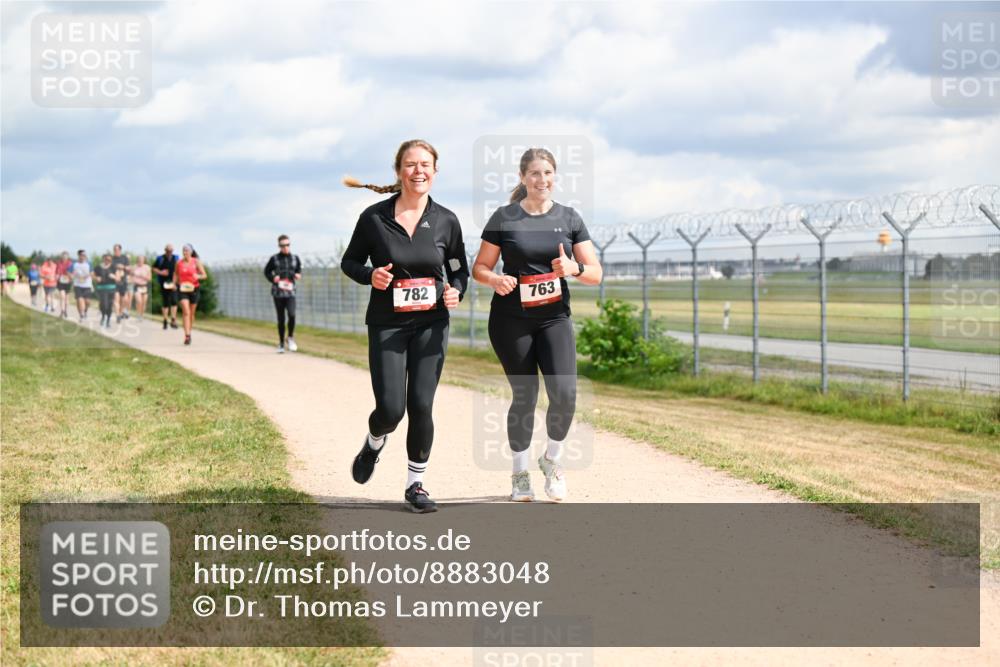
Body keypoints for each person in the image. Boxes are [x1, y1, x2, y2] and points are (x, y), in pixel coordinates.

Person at [341, 139, 468, 513]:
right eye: (411, 165)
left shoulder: (446, 220)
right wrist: (371, 276)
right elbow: (350, 262)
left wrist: (456, 292)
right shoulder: (374, 218)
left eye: (425, 164)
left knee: (421, 405)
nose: (419, 171)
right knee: (392, 409)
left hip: (432, 324)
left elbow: (459, 270)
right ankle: (374, 441)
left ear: (435, 170)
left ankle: (416, 486)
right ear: (399, 171)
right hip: (388, 325)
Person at [472, 147, 602, 502]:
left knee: (565, 394)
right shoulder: (505, 218)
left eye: (547, 173)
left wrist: (573, 269)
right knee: (525, 395)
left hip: (554, 317)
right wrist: (495, 280)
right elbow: (479, 267)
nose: (541, 180)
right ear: (522, 177)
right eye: (534, 174)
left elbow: (595, 272)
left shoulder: (570, 218)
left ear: (554, 176)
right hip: (511, 319)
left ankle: (552, 461)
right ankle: (519, 474)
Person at [264, 234, 303, 353]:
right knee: (281, 319)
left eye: (287, 245)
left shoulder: (295, 258)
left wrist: (298, 275)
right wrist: (273, 278)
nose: (285, 247)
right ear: (279, 246)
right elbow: (266, 271)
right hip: (278, 292)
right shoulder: (274, 259)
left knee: (292, 315)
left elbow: (299, 270)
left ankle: (290, 338)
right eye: (283, 245)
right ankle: (281, 343)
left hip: (290, 292)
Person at [173, 244, 207, 345]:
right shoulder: (179, 263)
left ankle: (189, 332)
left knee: (191, 314)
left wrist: (198, 276)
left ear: (191, 252)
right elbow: (175, 274)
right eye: (183, 250)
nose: (185, 252)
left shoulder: (196, 262)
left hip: (194, 289)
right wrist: (174, 283)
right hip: (182, 289)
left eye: (187, 250)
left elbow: (204, 275)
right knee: (186, 311)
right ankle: (187, 335)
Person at [153, 245, 179, 330]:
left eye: (171, 250)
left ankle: (173, 320)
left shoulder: (176, 258)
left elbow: (179, 270)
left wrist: (176, 282)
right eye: (168, 250)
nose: (169, 252)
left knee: (174, 301)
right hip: (164, 283)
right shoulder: (160, 258)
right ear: (165, 250)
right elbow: (153, 268)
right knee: (166, 302)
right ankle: (165, 320)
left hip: (174, 282)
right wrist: (160, 272)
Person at [92, 253, 117, 328]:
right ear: (103, 259)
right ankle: (103, 316)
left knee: (109, 305)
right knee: (104, 304)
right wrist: (96, 278)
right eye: (106, 259)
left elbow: (118, 277)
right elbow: (92, 275)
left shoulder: (113, 267)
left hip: (111, 288)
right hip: (102, 288)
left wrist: (114, 276)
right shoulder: (98, 267)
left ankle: (108, 320)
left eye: (109, 260)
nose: (108, 261)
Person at [70, 250, 93, 321]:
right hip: (78, 285)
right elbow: (69, 272)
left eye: (84, 255)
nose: (83, 256)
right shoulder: (74, 264)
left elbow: (92, 273)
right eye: (82, 255)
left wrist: (86, 277)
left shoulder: (89, 263)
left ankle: (85, 311)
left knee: (87, 301)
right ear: (79, 256)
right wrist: (71, 276)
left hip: (87, 285)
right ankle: (81, 314)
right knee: (80, 299)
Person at [110, 243, 130, 322]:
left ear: (120, 250)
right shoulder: (111, 259)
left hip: (123, 281)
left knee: (123, 300)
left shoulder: (124, 258)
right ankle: (117, 315)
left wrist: (123, 267)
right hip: (114, 282)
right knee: (116, 299)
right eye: (114, 250)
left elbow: (129, 268)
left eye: (117, 249)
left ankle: (121, 312)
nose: (116, 251)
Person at [131, 255, 151, 320]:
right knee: (139, 301)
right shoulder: (134, 267)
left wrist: (142, 276)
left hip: (145, 286)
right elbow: (131, 276)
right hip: (137, 286)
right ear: (137, 260)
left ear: (144, 260)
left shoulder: (147, 267)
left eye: (142, 259)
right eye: (139, 259)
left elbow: (149, 279)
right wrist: (132, 280)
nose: (140, 260)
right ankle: (138, 315)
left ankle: (142, 315)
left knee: (144, 302)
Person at [55, 251, 73, 317]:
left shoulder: (70, 264)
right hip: (61, 281)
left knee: (66, 298)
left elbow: (72, 272)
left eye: (66, 256)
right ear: (61, 256)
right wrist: (56, 276)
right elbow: (56, 271)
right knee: (62, 296)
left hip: (68, 281)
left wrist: (70, 276)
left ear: (68, 257)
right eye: (63, 256)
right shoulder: (58, 263)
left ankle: (65, 310)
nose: (64, 257)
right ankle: (62, 311)